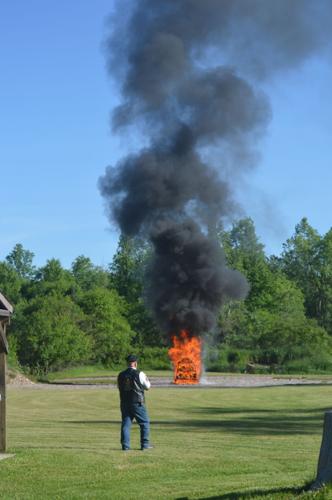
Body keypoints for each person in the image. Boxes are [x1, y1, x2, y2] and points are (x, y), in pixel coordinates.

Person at [117, 354, 152, 451]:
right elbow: (148, 386)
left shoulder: (121, 375)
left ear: (127, 363)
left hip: (124, 402)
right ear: (135, 363)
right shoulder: (140, 373)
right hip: (137, 402)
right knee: (144, 423)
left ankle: (125, 446)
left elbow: (119, 387)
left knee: (126, 424)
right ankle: (145, 445)